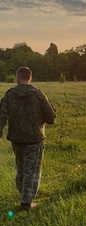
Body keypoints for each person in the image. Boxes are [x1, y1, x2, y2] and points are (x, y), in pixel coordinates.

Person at [0, 67, 56, 211]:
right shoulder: (38, 94)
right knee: (32, 172)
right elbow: (51, 118)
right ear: (30, 78)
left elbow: (2, 116)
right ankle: (26, 204)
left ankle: (24, 195)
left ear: (17, 77)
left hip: (16, 140)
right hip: (34, 140)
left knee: (21, 170)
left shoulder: (9, 94)